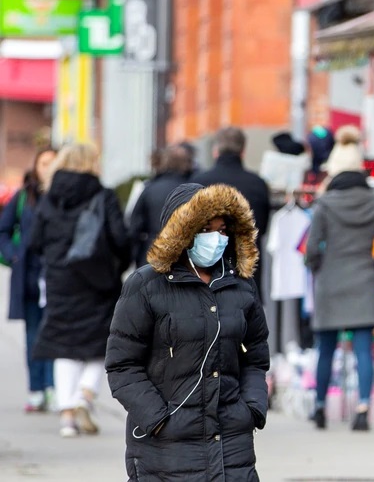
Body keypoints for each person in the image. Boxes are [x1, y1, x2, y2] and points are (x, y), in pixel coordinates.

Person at [105, 183, 270, 481]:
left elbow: (256, 357)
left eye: (222, 230)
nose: (216, 239)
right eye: (206, 228)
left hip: (232, 447)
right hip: (165, 451)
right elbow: (122, 365)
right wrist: (158, 418)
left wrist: (252, 408)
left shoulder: (241, 285)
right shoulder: (145, 286)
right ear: (182, 229)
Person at [29, 143, 131, 437]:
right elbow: (120, 239)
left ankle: (67, 417)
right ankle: (87, 394)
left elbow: (35, 241)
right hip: (97, 281)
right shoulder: (103, 195)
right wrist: (117, 267)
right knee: (100, 342)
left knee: (63, 346)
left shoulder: (50, 199)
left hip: (61, 281)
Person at [304, 136, 374, 431]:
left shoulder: (324, 205)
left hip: (330, 283)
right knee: (363, 351)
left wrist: (317, 267)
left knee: (326, 350)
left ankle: (319, 408)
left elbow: (311, 249)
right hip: (363, 282)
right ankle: (362, 410)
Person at [0, 147, 57, 412]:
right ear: (35, 166)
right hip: (29, 277)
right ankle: (36, 389)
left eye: (53, 163)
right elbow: (3, 229)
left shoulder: (63, 195)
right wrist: (13, 255)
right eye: (44, 162)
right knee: (33, 334)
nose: (48, 167)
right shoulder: (24, 197)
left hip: (57, 276)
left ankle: (53, 387)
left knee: (56, 334)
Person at [193, 127, 270, 298]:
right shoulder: (257, 184)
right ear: (243, 151)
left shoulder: (198, 182)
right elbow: (262, 228)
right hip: (246, 271)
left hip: (206, 271)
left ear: (215, 151)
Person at [129, 143, 192, 267]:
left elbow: (134, 227)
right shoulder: (192, 191)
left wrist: (135, 256)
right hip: (184, 256)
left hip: (152, 253)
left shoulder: (149, 189)